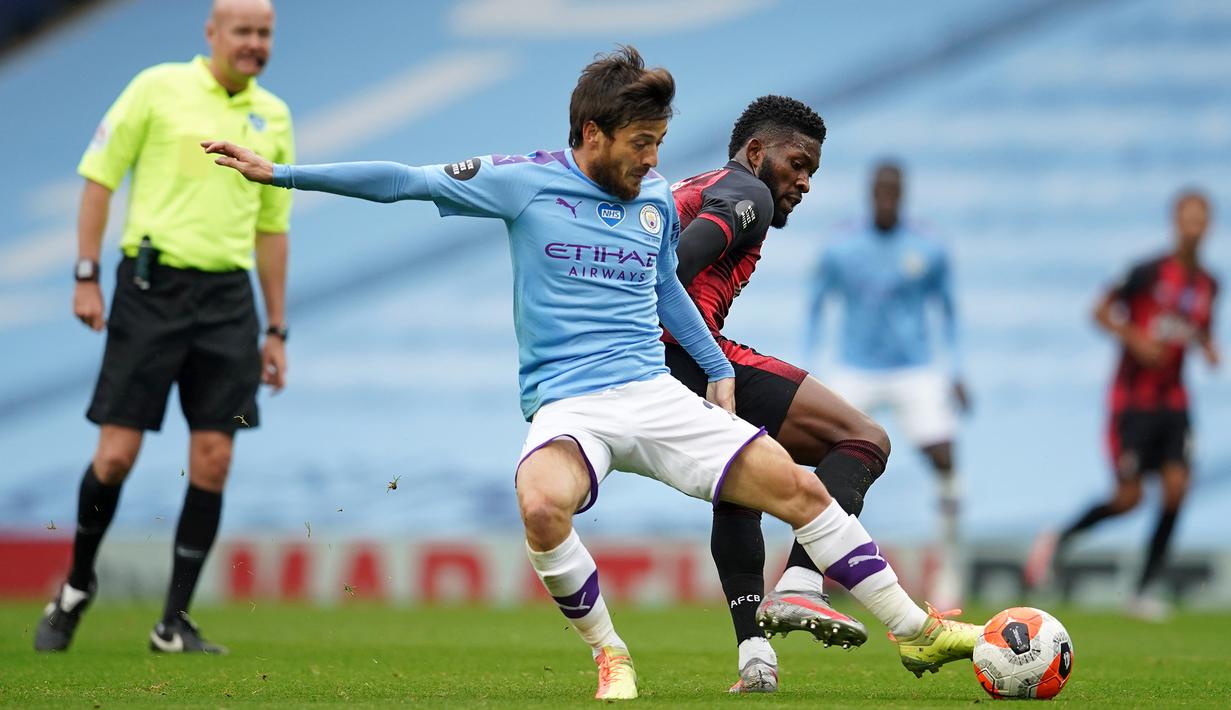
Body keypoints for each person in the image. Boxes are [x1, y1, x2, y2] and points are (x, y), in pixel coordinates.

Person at [204, 45, 979, 701]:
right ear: (591, 133)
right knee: (541, 507)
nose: (652, 160)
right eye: (641, 143)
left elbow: (670, 295)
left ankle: (917, 630)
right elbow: (405, 178)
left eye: (659, 142)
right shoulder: (523, 181)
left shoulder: (653, 204)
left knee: (801, 488)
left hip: (652, 391)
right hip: (571, 405)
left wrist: (715, 374)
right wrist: (279, 174)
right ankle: (611, 651)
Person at [35, 0, 293, 655]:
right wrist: (86, 274)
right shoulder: (157, 87)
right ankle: (76, 585)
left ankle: (172, 623)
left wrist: (276, 329)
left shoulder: (275, 115)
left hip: (229, 300)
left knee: (214, 458)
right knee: (116, 453)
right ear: (211, 33)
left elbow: (272, 228)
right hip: (151, 289)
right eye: (242, 31)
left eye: (263, 33)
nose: (253, 43)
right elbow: (98, 180)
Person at [663, 95, 893, 693]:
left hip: (648, 364)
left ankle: (755, 659)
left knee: (743, 482)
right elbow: (676, 265)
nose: (805, 181)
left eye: (813, 170)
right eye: (798, 163)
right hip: (685, 353)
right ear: (757, 151)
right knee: (864, 437)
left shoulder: (704, 184)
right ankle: (800, 582)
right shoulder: (749, 193)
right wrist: (708, 360)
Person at [1026, 191, 1219, 620]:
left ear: (1209, 226)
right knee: (1129, 498)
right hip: (1133, 402)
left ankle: (1144, 589)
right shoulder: (1147, 271)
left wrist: (1208, 348)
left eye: (1201, 219)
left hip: (1175, 403)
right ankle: (1059, 539)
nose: (1194, 227)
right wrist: (1136, 339)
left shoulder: (1209, 283)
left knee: (1176, 489)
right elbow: (1098, 311)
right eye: (1188, 218)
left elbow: (1198, 328)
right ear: (1176, 222)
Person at [804, 162, 969, 609]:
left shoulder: (928, 247)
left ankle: (950, 568)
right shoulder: (842, 246)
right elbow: (817, 306)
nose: (886, 197)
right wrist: (811, 366)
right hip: (856, 367)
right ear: (870, 192)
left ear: (903, 193)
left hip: (914, 367)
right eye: (880, 189)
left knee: (945, 457)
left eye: (894, 190)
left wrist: (956, 370)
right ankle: (814, 568)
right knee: (826, 459)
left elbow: (949, 309)